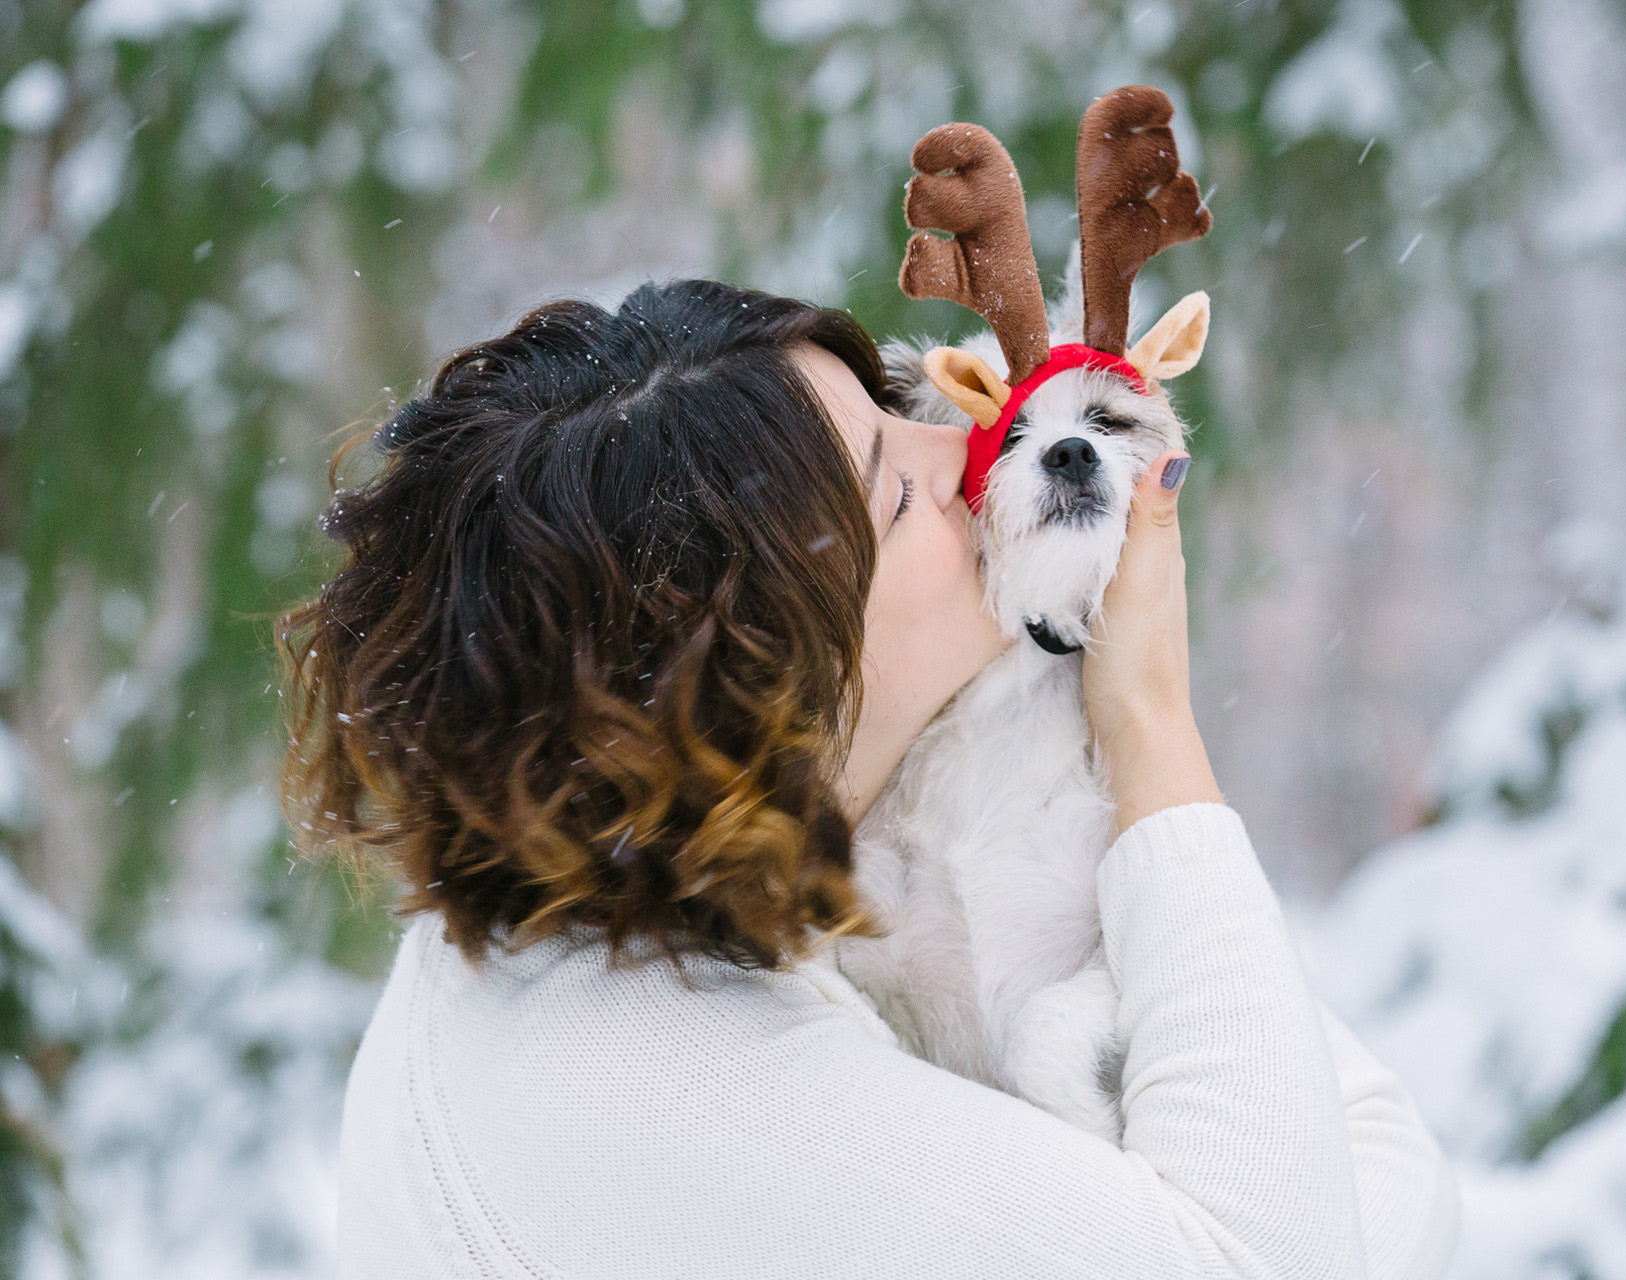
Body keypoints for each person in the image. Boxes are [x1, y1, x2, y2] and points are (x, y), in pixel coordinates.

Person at [280, 278, 1458, 1279]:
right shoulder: (656, 1080)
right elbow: (1294, 1244)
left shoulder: (690, 875)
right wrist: (1150, 722)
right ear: (747, 676)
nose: (971, 450)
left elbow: (1371, 1152)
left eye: (905, 413)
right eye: (896, 491)